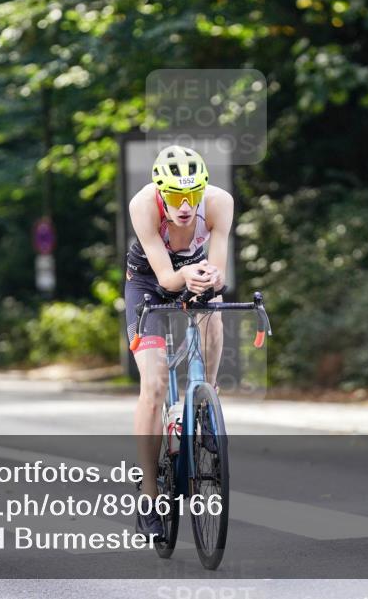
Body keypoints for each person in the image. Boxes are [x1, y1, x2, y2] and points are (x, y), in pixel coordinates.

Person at [125, 145, 232, 539]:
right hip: (149, 282)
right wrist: (188, 277)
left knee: (213, 311)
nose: (185, 206)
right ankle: (148, 495)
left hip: (193, 272)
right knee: (153, 385)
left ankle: (206, 402)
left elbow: (218, 271)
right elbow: (168, 279)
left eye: (192, 195)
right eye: (174, 196)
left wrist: (212, 279)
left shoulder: (220, 203)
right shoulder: (143, 205)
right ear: (160, 192)